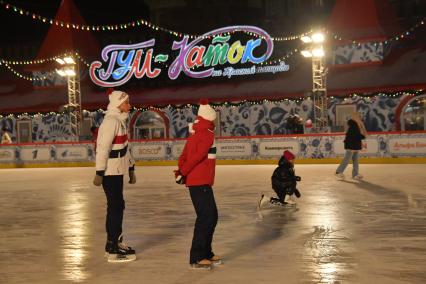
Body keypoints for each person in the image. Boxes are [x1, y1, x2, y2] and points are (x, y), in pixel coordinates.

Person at [174, 99, 221, 270]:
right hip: (199, 181)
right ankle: (198, 256)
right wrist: (183, 173)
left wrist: (181, 171)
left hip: (199, 181)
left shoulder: (196, 132)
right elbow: (195, 157)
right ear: (210, 118)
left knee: (211, 216)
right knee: (206, 218)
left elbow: (185, 155)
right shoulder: (206, 133)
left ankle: (206, 252)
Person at [93, 89, 137, 263]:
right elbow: (102, 148)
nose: (129, 105)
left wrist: (131, 167)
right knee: (115, 207)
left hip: (118, 171)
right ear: (119, 104)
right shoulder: (111, 122)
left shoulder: (120, 121)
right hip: (109, 173)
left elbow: (125, 147)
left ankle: (115, 243)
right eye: (127, 102)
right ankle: (112, 247)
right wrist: (99, 171)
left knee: (118, 206)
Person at [335, 112, 367, 180]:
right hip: (351, 145)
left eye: (359, 117)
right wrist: (362, 131)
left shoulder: (357, 125)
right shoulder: (353, 126)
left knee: (355, 160)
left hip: (355, 145)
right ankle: (338, 171)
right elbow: (358, 136)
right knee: (347, 159)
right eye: (358, 117)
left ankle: (355, 174)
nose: (360, 118)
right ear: (355, 118)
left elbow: (361, 135)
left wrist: (362, 126)